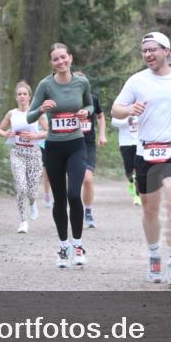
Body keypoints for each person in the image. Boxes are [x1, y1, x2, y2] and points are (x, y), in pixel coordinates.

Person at [112, 31, 171, 288]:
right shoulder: (136, 81)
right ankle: (154, 257)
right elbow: (116, 109)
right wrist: (129, 110)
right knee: (150, 209)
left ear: (166, 51)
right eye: (144, 51)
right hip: (146, 151)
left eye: (153, 50)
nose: (148, 55)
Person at [28, 44, 93, 268]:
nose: (60, 62)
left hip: (76, 145)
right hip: (54, 147)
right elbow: (29, 117)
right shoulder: (45, 85)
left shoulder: (81, 82)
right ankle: (64, 247)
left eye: (63, 57)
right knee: (59, 198)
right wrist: (41, 109)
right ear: (51, 63)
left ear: (70, 58)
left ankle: (78, 245)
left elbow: (90, 105)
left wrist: (87, 112)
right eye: (55, 59)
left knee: (74, 194)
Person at [0, 81, 48, 233]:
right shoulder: (12, 113)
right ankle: (23, 221)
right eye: (19, 94)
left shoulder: (37, 112)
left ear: (30, 96)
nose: (22, 96)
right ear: (15, 97)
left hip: (34, 153)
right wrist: (5, 133)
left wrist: (36, 135)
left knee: (31, 192)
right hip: (17, 153)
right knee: (21, 187)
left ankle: (33, 203)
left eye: (24, 94)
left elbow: (49, 131)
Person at [74, 71, 106, 228]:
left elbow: (100, 116)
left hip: (88, 145)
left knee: (87, 179)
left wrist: (102, 135)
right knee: (74, 183)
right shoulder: (67, 101)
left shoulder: (93, 99)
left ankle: (88, 212)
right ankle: (75, 210)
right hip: (70, 144)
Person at [111, 113, 141, 205]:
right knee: (128, 170)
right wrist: (127, 120)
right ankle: (131, 181)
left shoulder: (142, 109)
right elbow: (114, 122)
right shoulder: (122, 109)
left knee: (139, 169)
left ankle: (137, 195)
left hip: (140, 142)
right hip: (125, 143)